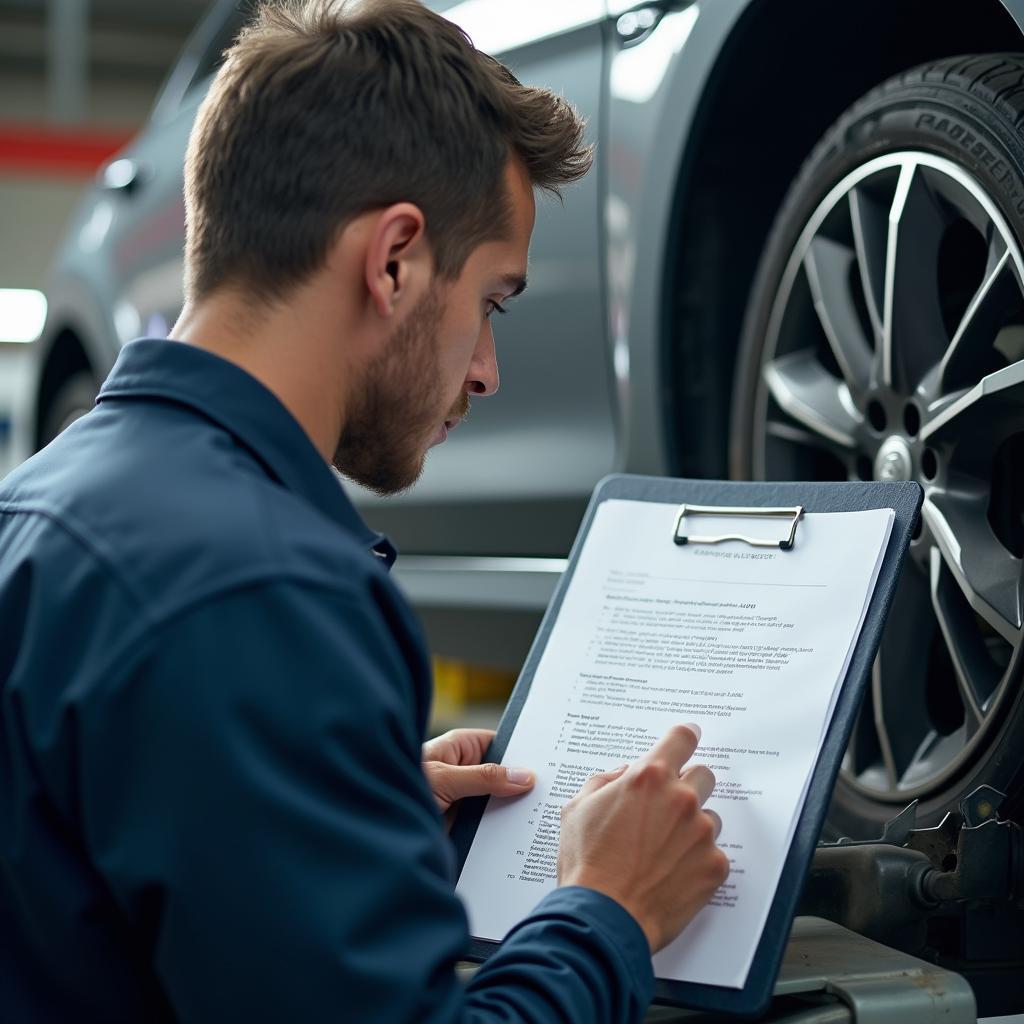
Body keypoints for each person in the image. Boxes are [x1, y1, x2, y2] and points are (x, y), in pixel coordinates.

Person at [0, 1, 729, 1021]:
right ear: (393, 260)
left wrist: (333, 804)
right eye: (492, 303)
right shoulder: (263, 590)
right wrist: (606, 907)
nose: (486, 371)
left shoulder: (31, 512)